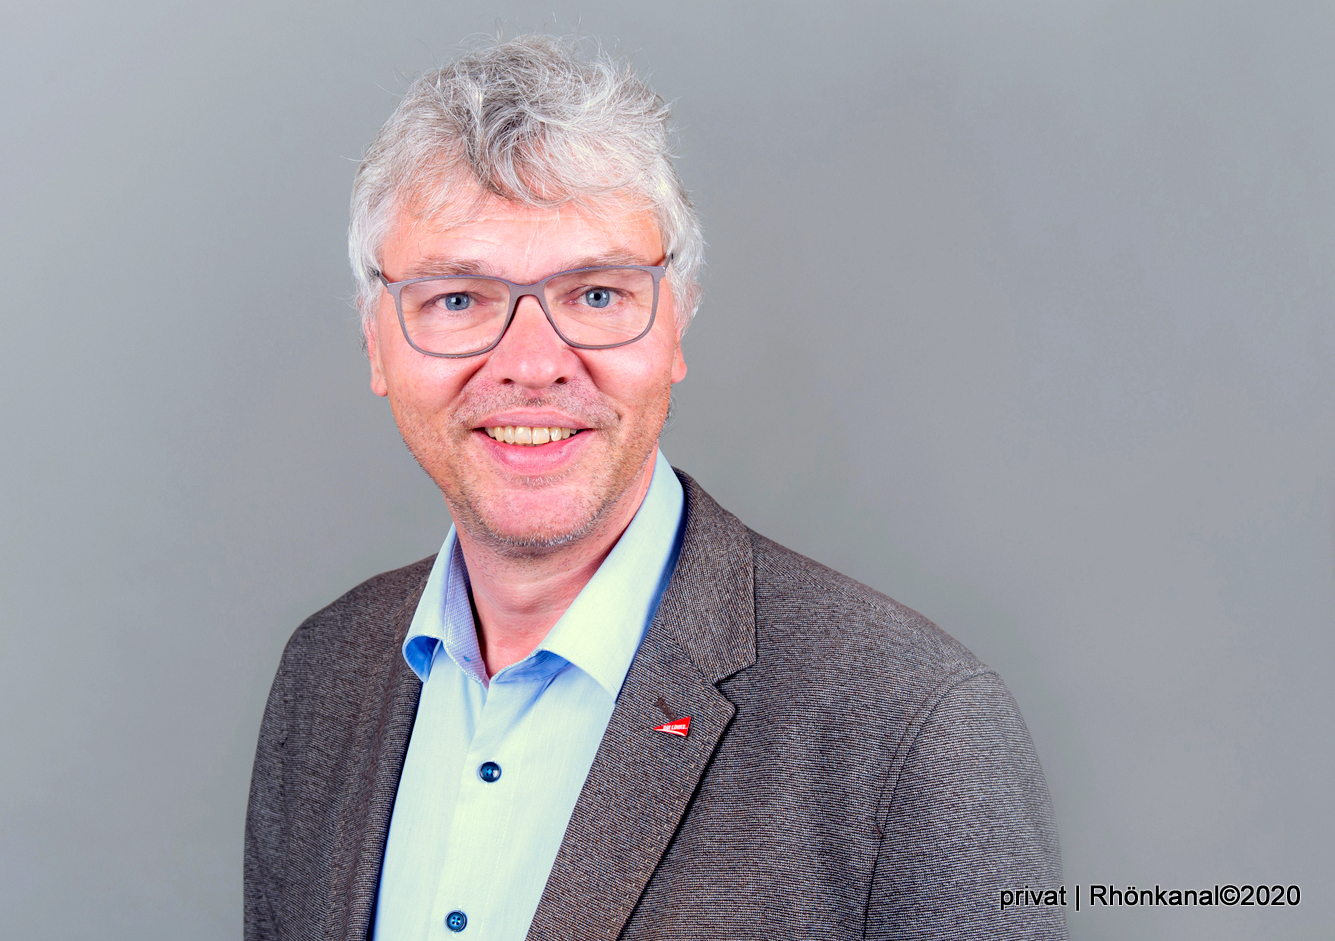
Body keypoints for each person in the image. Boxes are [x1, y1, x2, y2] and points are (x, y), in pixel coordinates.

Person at [245, 35, 1067, 941]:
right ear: (375, 341)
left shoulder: (912, 729)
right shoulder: (324, 679)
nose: (530, 365)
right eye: (458, 299)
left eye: (595, 294)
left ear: (675, 323)